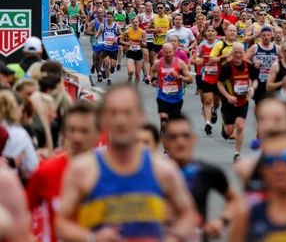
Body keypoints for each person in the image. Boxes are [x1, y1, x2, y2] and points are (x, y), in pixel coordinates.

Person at [56, 83, 196, 242]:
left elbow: (188, 214)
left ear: (141, 117)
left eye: (127, 113)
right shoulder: (82, 170)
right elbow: (61, 224)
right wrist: (92, 238)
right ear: (103, 119)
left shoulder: (163, 170)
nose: (120, 120)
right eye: (113, 113)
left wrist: (173, 237)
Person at [26, 102, 100, 242]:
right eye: (72, 130)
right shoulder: (45, 171)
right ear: (64, 133)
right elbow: (24, 213)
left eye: (84, 131)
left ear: (98, 134)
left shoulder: (108, 173)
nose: (77, 137)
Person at [163, 115, 239, 241]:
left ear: (193, 139)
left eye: (185, 136)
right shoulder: (154, 173)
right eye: (173, 137)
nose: (180, 142)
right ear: (165, 141)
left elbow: (235, 201)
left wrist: (221, 221)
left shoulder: (206, 172)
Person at [217, 43, 258, 162]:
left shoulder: (248, 66)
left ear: (244, 53)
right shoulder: (227, 67)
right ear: (232, 53)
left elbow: (255, 80)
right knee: (229, 132)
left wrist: (252, 88)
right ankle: (225, 125)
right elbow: (219, 83)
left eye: (240, 52)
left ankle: (237, 154)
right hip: (229, 102)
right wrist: (228, 96)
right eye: (236, 52)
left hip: (243, 101)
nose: (238, 55)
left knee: (240, 126)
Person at [151, 42, 193, 133]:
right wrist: (153, 79)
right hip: (162, 97)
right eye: (166, 52)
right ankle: (164, 133)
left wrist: (180, 77)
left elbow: (190, 79)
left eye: (170, 52)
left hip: (176, 98)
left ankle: (169, 135)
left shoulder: (180, 63)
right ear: (162, 52)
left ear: (173, 52)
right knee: (164, 120)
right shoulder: (158, 63)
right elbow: (152, 71)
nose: (168, 54)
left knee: (173, 123)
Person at [245, 26, 278, 104]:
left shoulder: (277, 48)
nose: (266, 37)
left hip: (271, 81)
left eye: (268, 35)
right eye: (264, 35)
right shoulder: (255, 47)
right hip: (259, 81)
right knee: (259, 104)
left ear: (271, 36)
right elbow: (244, 60)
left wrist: (278, 64)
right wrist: (253, 64)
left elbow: (284, 62)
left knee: (271, 105)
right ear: (260, 36)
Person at [120, 16, 147, 86]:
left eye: (136, 22)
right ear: (131, 23)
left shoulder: (142, 32)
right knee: (130, 71)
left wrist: (141, 41)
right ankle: (130, 77)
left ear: (139, 23)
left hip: (139, 53)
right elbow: (121, 40)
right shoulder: (127, 32)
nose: (135, 23)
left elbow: (145, 44)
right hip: (130, 52)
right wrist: (127, 43)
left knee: (137, 74)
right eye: (134, 22)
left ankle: (136, 88)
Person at [96, 11, 120, 86]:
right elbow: (98, 32)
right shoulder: (102, 26)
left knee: (113, 65)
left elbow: (122, 35)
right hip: (105, 48)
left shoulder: (116, 26)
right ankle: (109, 79)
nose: (109, 18)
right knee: (106, 63)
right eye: (107, 17)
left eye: (110, 17)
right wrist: (96, 35)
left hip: (114, 48)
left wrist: (117, 38)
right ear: (105, 18)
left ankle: (107, 69)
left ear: (113, 18)